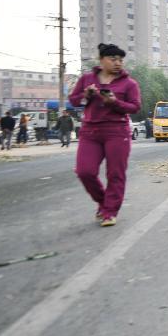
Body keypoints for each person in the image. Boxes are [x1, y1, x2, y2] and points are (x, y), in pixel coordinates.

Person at [69, 43, 141, 227]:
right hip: (90, 132)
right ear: (101, 60)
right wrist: (86, 95)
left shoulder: (129, 83)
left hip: (117, 132)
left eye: (120, 60)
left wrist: (115, 103)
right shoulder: (87, 79)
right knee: (85, 171)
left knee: (115, 173)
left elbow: (134, 107)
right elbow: (74, 100)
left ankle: (110, 212)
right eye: (113, 59)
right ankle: (103, 202)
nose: (118, 63)